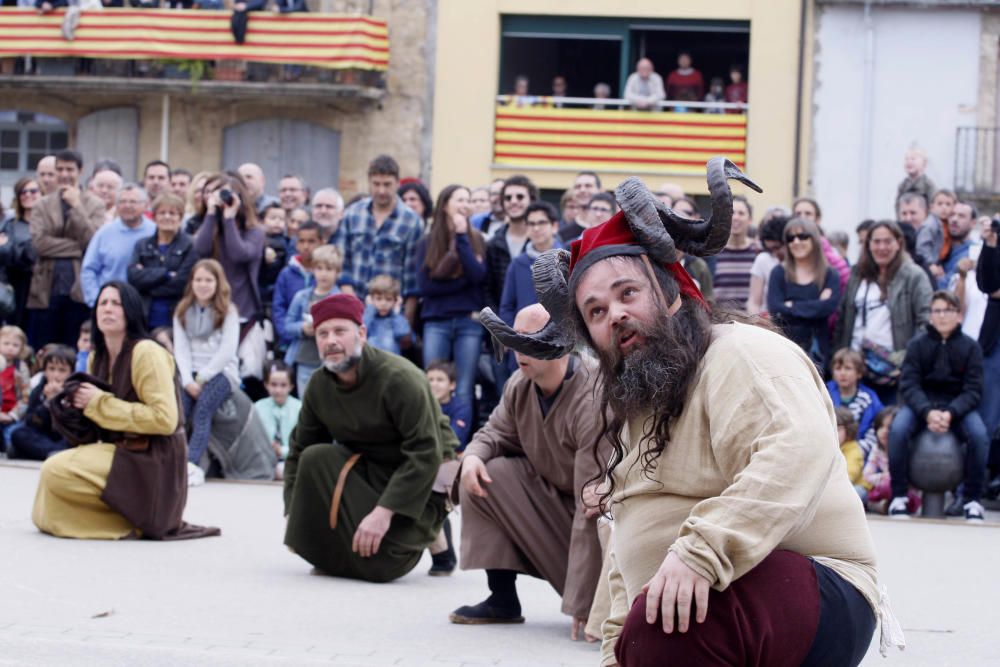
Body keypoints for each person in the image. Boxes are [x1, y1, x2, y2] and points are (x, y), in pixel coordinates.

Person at [478, 165, 892, 667]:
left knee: (668, 624)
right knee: (651, 629)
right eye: (596, 312)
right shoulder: (640, 404)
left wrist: (700, 552)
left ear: (671, 292)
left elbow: (798, 448)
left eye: (627, 293)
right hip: (709, 600)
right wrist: (615, 652)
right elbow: (626, 550)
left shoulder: (741, 353)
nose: (615, 316)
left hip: (817, 588)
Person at [451, 303, 606, 636]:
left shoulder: (591, 397)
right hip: (556, 504)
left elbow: (591, 504)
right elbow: (493, 433)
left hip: (600, 522)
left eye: (530, 338)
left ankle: (598, 599)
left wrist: (586, 603)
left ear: (561, 342)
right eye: (514, 338)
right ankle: (502, 598)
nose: (517, 348)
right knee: (484, 472)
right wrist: (474, 456)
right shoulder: (519, 385)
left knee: (593, 506)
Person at [282, 293, 458, 582]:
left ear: (361, 334)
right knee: (316, 458)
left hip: (424, 466)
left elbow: (425, 451)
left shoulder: (400, 378)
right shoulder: (318, 386)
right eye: (322, 334)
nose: (331, 341)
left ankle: (433, 524)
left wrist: (383, 514)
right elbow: (300, 449)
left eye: (340, 331)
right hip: (369, 463)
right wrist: (293, 508)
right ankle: (399, 519)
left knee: (383, 567)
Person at [31, 280, 219, 540]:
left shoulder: (147, 352)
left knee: (56, 469)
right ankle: (129, 519)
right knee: (51, 498)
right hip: (121, 451)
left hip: (154, 460)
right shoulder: (98, 356)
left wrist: (97, 403)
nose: (108, 309)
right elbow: (98, 417)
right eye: (103, 303)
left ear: (130, 311)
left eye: (116, 304)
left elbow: (165, 419)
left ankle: (144, 521)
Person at [888, 290, 988, 522]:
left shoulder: (971, 347)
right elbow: (909, 384)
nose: (942, 316)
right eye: (937, 311)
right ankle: (899, 496)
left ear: (958, 315)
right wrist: (927, 412)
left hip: (958, 407)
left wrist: (951, 413)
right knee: (898, 430)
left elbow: (973, 390)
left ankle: (972, 500)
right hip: (922, 405)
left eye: (947, 310)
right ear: (931, 315)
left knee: (979, 435)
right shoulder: (917, 345)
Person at [834, 220, 933, 404]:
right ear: (868, 244)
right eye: (876, 241)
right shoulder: (857, 274)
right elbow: (843, 316)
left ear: (898, 243)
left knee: (887, 427)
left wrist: (908, 358)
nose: (881, 247)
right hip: (855, 368)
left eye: (887, 241)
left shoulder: (914, 276)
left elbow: (926, 321)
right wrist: (840, 355)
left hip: (894, 371)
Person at [415, 185, 487, 408]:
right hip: (436, 320)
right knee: (433, 384)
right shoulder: (426, 242)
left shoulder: (478, 240)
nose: (465, 205)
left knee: (464, 388)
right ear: (445, 205)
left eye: (468, 200)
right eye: (460, 200)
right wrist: (463, 280)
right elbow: (426, 287)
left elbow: (478, 276)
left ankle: (459, 441)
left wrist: (462, 237)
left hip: (469, 322)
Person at [27, 149, 105, 349]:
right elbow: (40, 244)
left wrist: (77, 206)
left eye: (69, 169)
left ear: (80, 171)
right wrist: (77, 247)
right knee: (44, 347)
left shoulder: (94, 204)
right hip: (46, 289)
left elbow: (93, 241)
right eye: (59, 169)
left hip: (78, 289)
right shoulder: (42, 205)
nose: (64, 174)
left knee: (74, 347)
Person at [338, 155, 423, 327]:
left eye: (387, 184)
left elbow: (412, 278)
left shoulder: (411, 221)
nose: (381, 190)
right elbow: (342, 262)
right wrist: (351, 300)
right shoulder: (352, 214)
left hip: (390, 314)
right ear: (369, 182)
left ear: (397, 183)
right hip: (354, 304)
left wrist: (406, 320)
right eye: (376, 184)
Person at [172, 259, 241, 467]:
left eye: (208, 280)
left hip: (221, 372)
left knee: (203, 409)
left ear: (218, 283)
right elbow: (181, 350)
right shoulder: (182, 310)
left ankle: (190, 463)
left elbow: (227, 351)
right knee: (180, 410)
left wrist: (203, 378)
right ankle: (173, 461)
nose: (203, 285)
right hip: (189, 373)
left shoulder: (228, 311)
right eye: (198, 279)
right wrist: (186, 381)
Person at [766, 218, 841, 369]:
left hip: (817, 351)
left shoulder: (830, 274)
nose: (796, 242)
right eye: (790, 238)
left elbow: (828, 307)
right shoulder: (778, 273)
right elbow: (775, 308)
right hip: (784, 349)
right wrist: (816, 305)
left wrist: (791, 305)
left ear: (814, 239)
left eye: (802, 236)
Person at [193, 172, 264, 323]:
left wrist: (229, 218)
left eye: (222, 192)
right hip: (209, 308)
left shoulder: (254, 231)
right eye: (210, 192)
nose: (217, 197)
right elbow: (200, 250)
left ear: (239, 196)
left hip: (242, 310)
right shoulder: (206, 226)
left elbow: (239, 254)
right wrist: (211, 213)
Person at [127, 192, 198, 330]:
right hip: (144, 316)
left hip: (177, 317)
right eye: (162, 213)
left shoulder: (191, 245)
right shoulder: (141, 245)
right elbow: (133, 277)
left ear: (180, 217)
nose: (167, 217)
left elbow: (182, 283)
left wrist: (146, 285)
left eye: (172, 213)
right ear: (154, 217)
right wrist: (165, 274)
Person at [81, 184, 156, 308]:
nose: (127, 206)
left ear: (145, 205)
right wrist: (95, 300)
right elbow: (89, 270)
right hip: (110, 304)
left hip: (145, 304)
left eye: (133, 202)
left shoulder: (154, 231)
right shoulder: (104, 233)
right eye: (122, 202)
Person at [284, 244, 342, 392]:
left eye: (329, 269)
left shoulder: (341, 299)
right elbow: (288, 325)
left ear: (337, 273)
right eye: (319, 268)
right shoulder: (301, 296)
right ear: (313, 270)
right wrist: (303, 328)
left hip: (331, 361)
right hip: (305, 360)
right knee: (306, 402)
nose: (323, 274)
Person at [7, 344, 74, 461]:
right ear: (45, 371)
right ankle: (54, 453)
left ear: (71, 372)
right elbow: (30, 421)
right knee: (18, 434)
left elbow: (76, 424)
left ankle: (50, 453)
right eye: (51, 369)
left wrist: (60, 402)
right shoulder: (39, 390)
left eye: (62, 370)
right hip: (43, 436)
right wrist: (48, 402)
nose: (56, 375)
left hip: (66, 436)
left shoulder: (75, 391)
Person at [500, 201, 561, 325]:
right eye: (531, 224)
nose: (536, 228)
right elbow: (506, 307)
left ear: (554, 226)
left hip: (561, 338)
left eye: (542, 223)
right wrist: (518, 335)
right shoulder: (517, 264)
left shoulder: (568, 259)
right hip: (525, 338)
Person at [976, 219, 1000, 482]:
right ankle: (974, 490)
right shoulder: (995, 239)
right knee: (987, 418)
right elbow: (988, 285)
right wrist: (991, 243)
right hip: (995, 340)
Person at [827, 348, 884, 458]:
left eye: (848, 368)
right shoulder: (825, 393)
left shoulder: (868, 399)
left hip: (859, 453)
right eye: (838, 368)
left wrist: (857, 452)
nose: (842, 373)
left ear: (859, 373)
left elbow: (875, 428)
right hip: (829, 450)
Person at [862, 407, 920, 515]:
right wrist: (883, 477)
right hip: (883, 489)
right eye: (881, 427)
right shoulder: (877, 449)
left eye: (889, 428)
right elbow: (867, 475)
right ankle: (881, 505)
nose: (884, 431)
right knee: (867, 492)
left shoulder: (907, 450)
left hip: (906, 491)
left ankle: (890, 505)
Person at [0, 178, 40, 329]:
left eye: (33, 191)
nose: (28, 195)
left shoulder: (49, 223)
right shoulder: (10, 223)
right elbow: (4, 254)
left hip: (41, 285)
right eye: (23, 192)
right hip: (15, 285)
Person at [790, 198, 851, 294]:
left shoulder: (828, 252)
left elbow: (846, 282)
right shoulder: (787, 247)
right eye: (798, 214)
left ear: (817, 219)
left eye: (808, 214)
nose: (802, 217)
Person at [254, 360, 301, 480]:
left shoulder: (299, 408)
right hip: (263, 459)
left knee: (283, 470)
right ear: (266, 384)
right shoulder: (257, 407)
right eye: (273, 384)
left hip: (291, 459)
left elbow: (302, 443)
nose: (278, 390)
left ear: (291, 386)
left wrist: (282, 451)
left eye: (283, 385)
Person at [711, 194, 758, 306]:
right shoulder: (713, 252)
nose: (735, 217)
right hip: (720, 320)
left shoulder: (758, 251)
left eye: (741, 213)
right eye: (732, 213)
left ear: (750, 220)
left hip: (751, 321)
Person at [746, 214, 788, 315]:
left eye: (777, 247)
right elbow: (753, 301)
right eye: (770, 249)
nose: (775, 253)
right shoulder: (763, 259)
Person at [362, 274, 412, 355]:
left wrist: (396, 313)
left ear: (395, 300)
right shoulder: (369, 317)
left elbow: (402, 332)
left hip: (391, 363)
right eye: (378, 299)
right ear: (371, 299)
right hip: (371, 361)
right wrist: (370, 308)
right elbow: (361, 330)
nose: (383, 303)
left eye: (388, 299)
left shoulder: (397, 318)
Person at [0, 324, 30, 441]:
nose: (10, 348)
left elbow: (26, 396)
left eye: (15, 345)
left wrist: (12, 415)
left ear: (22, 348)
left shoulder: (21, 368)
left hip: (12, 415)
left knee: (13, 436)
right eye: (6, 344)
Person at [835, 407, 865, 501]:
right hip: (835, 486)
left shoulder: (853, 449)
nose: (834, 432)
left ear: (849, 429)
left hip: (855, 486)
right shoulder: (829, 448)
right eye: (831, 428)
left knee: (854, 494)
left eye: (838, 429)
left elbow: (851, 473)